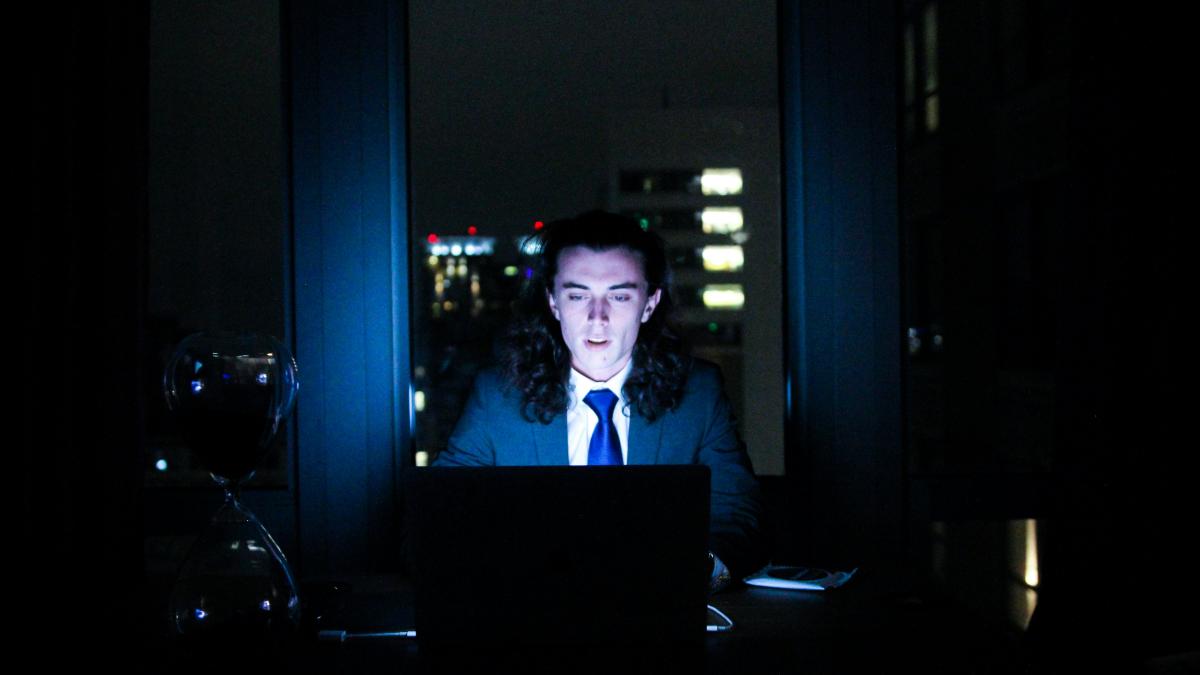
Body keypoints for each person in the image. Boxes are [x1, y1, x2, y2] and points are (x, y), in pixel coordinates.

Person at [435, 210, 765, 590]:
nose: (598, 318)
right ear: (553, 302)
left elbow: (740, 517)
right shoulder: (497, 397)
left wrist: (695, 569)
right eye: (578, 295)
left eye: (619, 296)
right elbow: (436, 518)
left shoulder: (698, 394)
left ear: (650, 303)